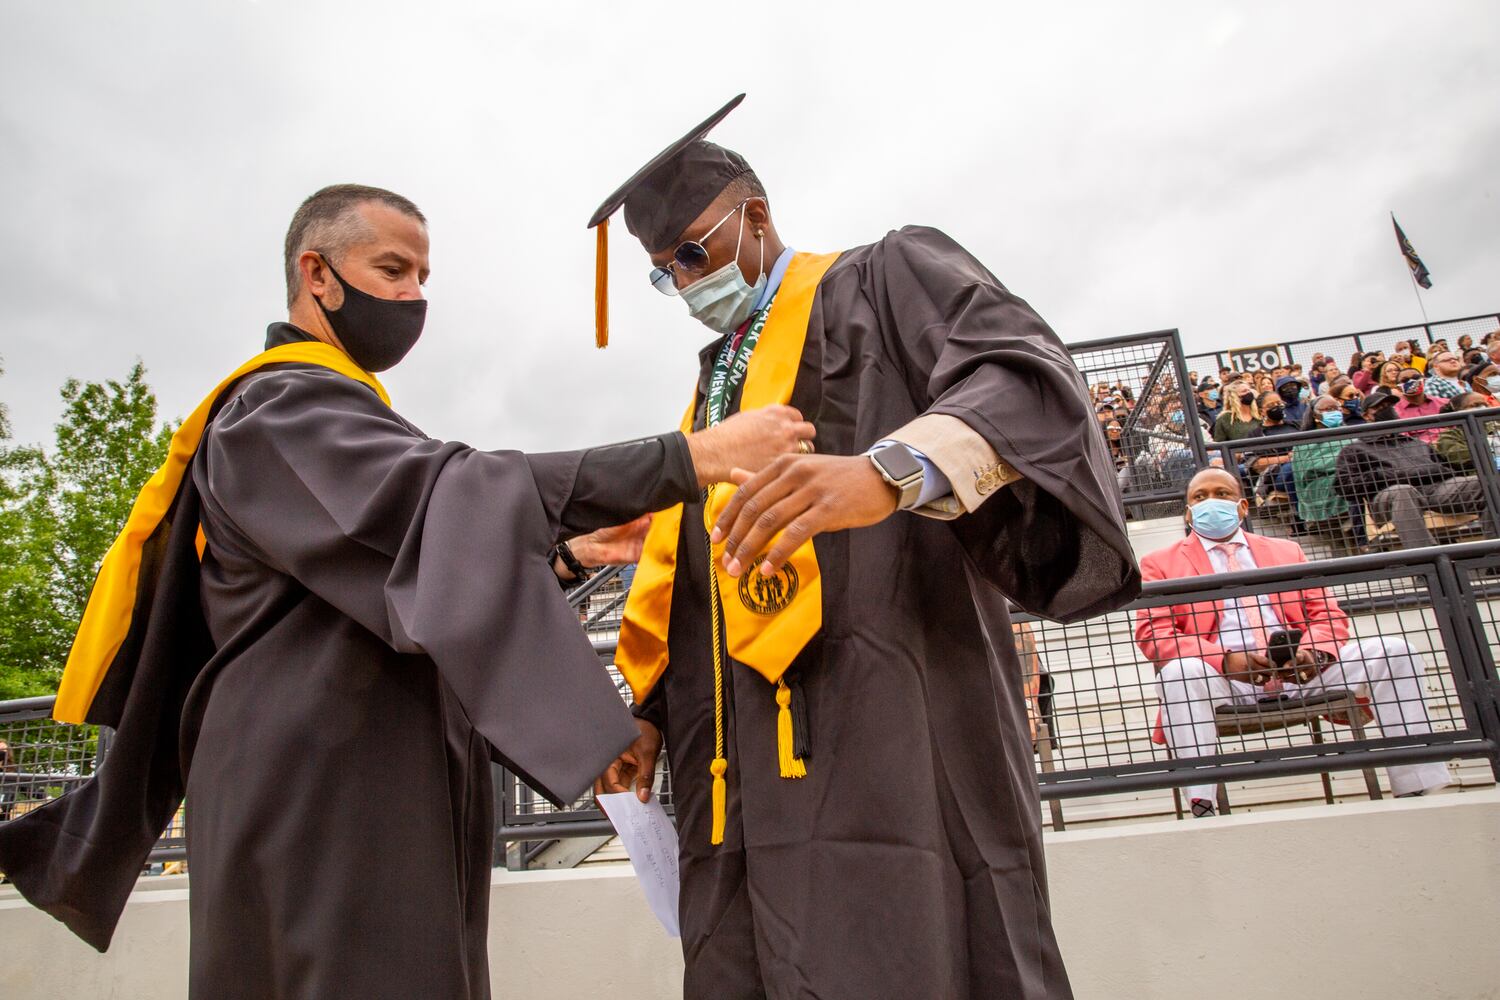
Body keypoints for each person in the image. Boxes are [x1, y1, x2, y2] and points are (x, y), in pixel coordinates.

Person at [0, 184, 812, 995]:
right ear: (316, 274)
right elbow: (440, 498)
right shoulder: (273, 409)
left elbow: (399, 571)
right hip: (313, 804)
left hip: (369, 788)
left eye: (424, 276)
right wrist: (687, 458)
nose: (414, 296)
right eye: (392, 269)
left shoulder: (338, 414)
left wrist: (569, 558)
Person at [588, 96, 1139, 999]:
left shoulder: (884, 276)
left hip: (892, 693)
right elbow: (700, 556)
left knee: (909, 938)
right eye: (663, 273)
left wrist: (888, 472)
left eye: (690, 253)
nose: (685, 284)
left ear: (754, 215)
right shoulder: (716, 385)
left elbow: (1024, 377)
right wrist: (648, 708)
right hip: (734, 741)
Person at [1136, 469, 1452, 816]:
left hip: (1300, 672)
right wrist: (1225, 661)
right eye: (1200, 497)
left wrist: (1313, 654)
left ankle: (1416, 784)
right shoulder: (1159, 563)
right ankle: (1202, 803)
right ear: (1188, 512)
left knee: (1394, 652)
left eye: (1222, 494)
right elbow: (1154, 634)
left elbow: (1327, 614)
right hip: (1224, 681)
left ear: (1242, 507)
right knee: (1178, 673)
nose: (1211, 502)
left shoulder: (1287, 550)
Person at [1334, 389, 1485, 549]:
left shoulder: (1416, 443)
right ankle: (1428, 558)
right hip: (1389, 497)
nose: (1387, 410)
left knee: (1480, 482)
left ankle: (1495, 550)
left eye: (1389, 406)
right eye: (1380, 408)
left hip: (1434, 490)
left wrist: (1431, 471)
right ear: (1366, 416)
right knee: (1403, 491)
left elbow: (1447, 469)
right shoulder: (1355, 449)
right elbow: (1344, 486)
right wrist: (1379, 475)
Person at [1289, 395, 1352, 533]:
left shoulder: (1350, 434)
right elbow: (1307, 471)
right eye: (1328, 409)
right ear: (1315, 415)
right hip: (1320, 485)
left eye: (1336, 408)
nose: (1334, 412)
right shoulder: (1304, 442)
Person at [1434, 393, 1498, 471]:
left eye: (1485, 405)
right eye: (1476, 405)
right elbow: (1462, 457)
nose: (1483, 408)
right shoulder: (1449, 436)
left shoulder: (1495, 427)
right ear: (1458, 410)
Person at [1393, 366, 1444, 443]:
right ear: (1398, 388)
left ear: (1424, 380)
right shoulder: (1395, 412)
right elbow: (1404, 440)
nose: (1411, 381)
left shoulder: (1444, 403)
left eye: (1416, 377)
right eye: (1405, 380)